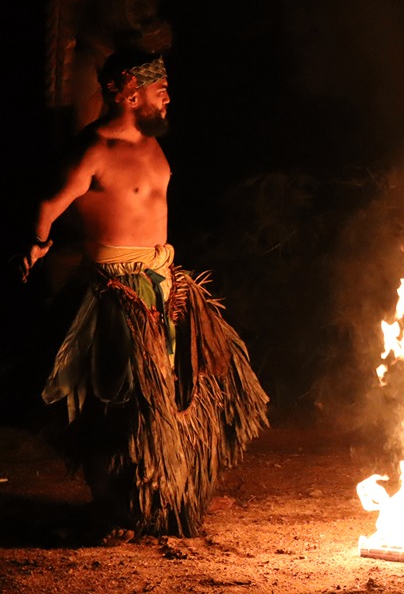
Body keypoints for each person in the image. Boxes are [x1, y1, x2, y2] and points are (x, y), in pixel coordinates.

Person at [21, 46, 269, 539]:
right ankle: (117, 506)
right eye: (161, 89)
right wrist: (38, 245)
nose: (169, 96)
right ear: (132, 92)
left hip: (166, 283)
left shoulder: (154, 144)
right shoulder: (93, 150)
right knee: (124, 404)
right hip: (117, 290)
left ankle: (167, 498)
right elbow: (48, 205)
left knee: (193, 392)